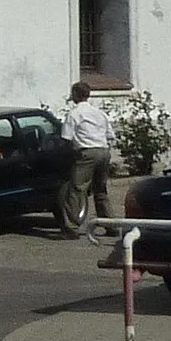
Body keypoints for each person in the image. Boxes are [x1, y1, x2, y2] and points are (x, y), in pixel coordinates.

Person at [60, 81, 114, 236]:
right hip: (104, 151)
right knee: (101, 190)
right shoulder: (99, 113)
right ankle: (111, 224)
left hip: (87, 153)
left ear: (75, 95)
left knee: (77, 189)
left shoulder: (75, 113)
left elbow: (66, 138)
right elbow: (111, 135)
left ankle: (71, 226)